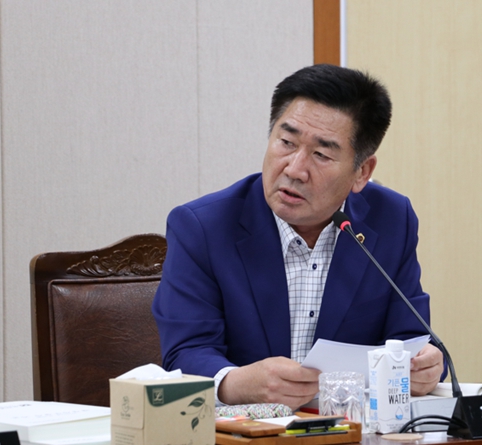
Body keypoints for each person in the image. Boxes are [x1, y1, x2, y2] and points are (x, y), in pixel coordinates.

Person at [152, 64, 444, 410]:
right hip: (246, 428)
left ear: (362, 172)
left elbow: (408, 336)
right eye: (287, 142)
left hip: (348, 428)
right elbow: (185, 352)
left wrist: (425, 366)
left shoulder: (391, 220)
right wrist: (236, 383)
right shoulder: (203, 227)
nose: (294, 169)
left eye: (321, 154)